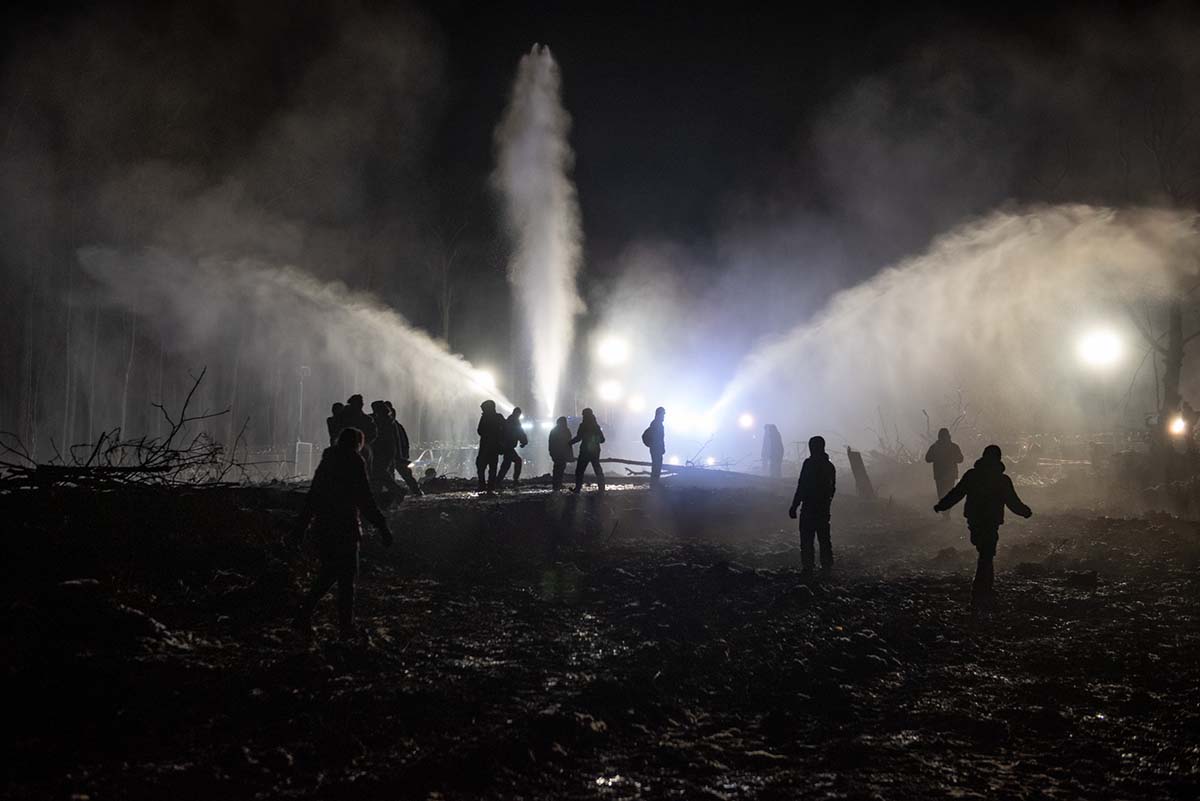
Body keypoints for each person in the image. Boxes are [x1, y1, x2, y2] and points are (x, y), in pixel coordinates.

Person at [289, 427, 393, 640]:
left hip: (323, 527)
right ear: (358, 443)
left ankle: (306, 614)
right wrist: (382, 526)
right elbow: (365, 498)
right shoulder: (354, 462)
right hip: (345, 527)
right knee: (346, 579)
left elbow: (313, 497)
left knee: (329, 573)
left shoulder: (327, 462)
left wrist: (300, 529)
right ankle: (344, 627)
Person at [934, 444, 1032, 607]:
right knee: (987, 553)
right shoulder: (1002, 480)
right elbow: (1012, 502)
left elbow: (957, 493)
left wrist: (942, 505)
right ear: (998, 458)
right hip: (991, 521)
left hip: (975, 520)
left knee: (986, 552)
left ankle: (984, 588)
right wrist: (1025, 512)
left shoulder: (972, 475)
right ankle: (981, 589)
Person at [788, 435, 837, 577]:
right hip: (822, 509)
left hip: (809, 508)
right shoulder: (830, 466)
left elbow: (802, 486)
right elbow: (832, 489)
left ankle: (808, 567)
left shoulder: (808, 464)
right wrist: (827, 502)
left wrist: (794, 505)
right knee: (824, 538)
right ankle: (826, 566)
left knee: (807, 539)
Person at [368, 401, 404, 505]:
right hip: (386, 451)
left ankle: (397, 490)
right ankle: (380, 494)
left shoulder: (383, 421)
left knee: (380, 472)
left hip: (383, 451)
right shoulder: (388, 421)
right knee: (380, 473)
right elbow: (396, 439)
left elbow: (394, 439)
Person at [924, 427, 964, 519]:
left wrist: (936, 457)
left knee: (941, 494)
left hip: (939, 475)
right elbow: (961, 459)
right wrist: (952, 458)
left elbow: (927, 459)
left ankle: (945, 514)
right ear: (949, 436)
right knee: (949, 494)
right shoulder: (954, 446)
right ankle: (947, 513)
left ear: (939, 436)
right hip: (950, 475)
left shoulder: (935, 447)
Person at [385, 401, 423, 496]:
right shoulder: (396, 426)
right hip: (396, 455)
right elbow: (404, 441)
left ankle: (400, 493)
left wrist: (403, 455)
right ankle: (414, 491)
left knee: (396, 475)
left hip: (394, 456)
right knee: (401, 475)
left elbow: (401, 441)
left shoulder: (392, 426)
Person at [571, 408, 606, 493]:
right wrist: (594, 441)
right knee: (597, 469)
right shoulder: (596, 426)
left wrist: (569, 443)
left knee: (579, 470)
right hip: (595, 451)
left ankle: (578, 488)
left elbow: (578, 438)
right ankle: (602, 488)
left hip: (585, 451)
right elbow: (602, 440)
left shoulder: (583, 425)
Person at [341, 395, 378, 475]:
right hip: (353, 448)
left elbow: (373, 434)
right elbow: (373, 434)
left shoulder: (366, 419)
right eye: (360, 403)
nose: (362, 404)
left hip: (358, 447)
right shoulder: (366, 419)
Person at [497, 406, 530, 490]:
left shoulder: (509, 421)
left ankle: (498, 481)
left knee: (506, 464)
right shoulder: (514, 421)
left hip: (507, 446)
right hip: (508, 447)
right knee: (517, 461)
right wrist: (524, 441)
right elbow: (519, 432)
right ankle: (514, 480)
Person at [476, 399, 505, 493]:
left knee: (481, 466)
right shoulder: (499, 417)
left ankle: (482, 485)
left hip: (485, 446)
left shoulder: (485, 418)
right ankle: (490, 486)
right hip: (494, 447)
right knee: (492, 467)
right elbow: (505, 429)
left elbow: (479, 431)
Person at [548, 416, 574, 491]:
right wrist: (570, 455)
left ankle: (557, 484)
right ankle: (557, 484)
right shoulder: (566, 430)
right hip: (560, 453)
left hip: (558, 453)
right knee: (559, 468)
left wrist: (551, 452)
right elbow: (569, 443)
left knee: (559, 468)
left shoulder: (554, 431)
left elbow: (551, 443)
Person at [642, 407, 666, 486]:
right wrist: (660, 447)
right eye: (663, 414)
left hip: (656, 449)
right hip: (656, 449)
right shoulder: (657, 424)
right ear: (659, 414)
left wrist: (662, 448)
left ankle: (655, 483)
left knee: (656, 466)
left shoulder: (656, 423)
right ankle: (654, 484)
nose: (664, 416)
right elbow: (659, 438)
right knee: (656, 466)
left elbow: (660, 438)